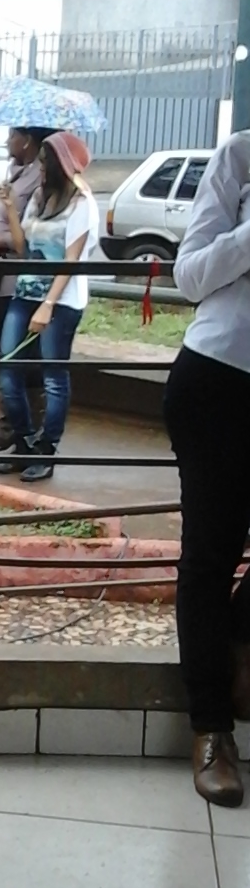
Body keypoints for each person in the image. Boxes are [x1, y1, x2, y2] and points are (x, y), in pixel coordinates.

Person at [162, 130, 250, 806]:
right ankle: (212, 729)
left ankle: (236, 650)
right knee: (209, 559)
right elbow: (188, 276)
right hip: (219, 381)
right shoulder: (239, 157)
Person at [0, 129, 100, 484]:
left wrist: (48, 305)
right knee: (8, 368)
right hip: (26, 292)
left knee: (54, 377)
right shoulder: (40, 197)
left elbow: (71, 260)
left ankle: (46, 449)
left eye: (44, 162)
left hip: (61, 301)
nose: (39, 167)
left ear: (59, 164)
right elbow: (24, 248)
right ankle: (24, 443)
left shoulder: (82, 203)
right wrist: (10, 209)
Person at [0, 125, 49, 452]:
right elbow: (3, 213)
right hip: (0, 278)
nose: (6, 141)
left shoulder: (40, 177)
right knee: (7, 354)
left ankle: (24, 432)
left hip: (19, 279)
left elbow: (25, 235)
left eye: (12, 135)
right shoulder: (16, 172)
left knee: (18, 358)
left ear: (27, 140)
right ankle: (9, 427)